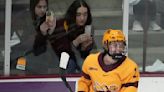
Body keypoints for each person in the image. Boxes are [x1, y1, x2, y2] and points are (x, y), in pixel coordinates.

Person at [33, 0, 94, 74]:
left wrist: (84, 48)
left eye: (85, 14)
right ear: (73, 14)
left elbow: (83, 55)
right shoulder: (62, 25)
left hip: (76, 59)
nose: (82, 18)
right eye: (78, 15)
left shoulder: (86, 28)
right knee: (72, 64)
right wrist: (76, 42)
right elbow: (61, 51)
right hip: (58, 60)